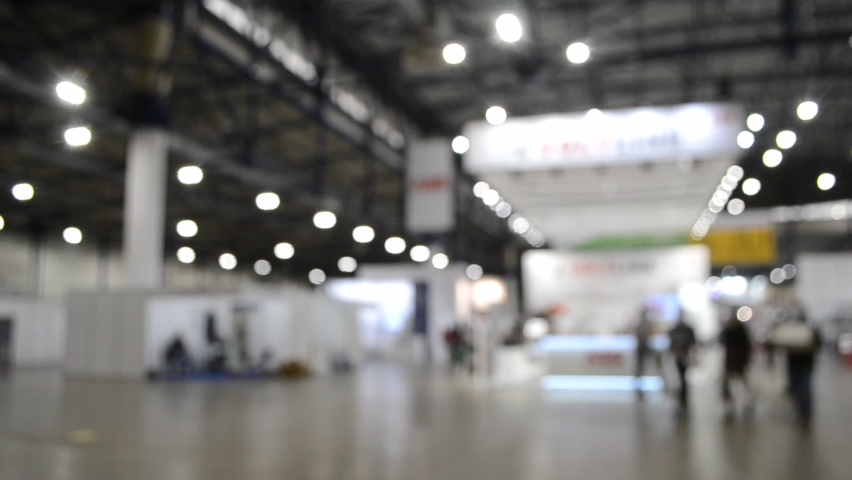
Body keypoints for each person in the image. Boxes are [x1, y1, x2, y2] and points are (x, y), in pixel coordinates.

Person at [771, 307, 821, 427]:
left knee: (804, 389)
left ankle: (805, 414)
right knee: (796, 389)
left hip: (805, 365)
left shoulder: (811, 330)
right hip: (794, 364)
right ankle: (801, 413)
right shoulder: (790, 330)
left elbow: (818, 344)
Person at [719, 311, 754, 420]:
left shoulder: (741, 331)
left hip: (739, 360)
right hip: (731, 360)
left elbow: (747, 347)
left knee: (743, 383)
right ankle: (729, 405)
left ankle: (748, 403)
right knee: (726, 384)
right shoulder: (728, 331)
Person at [668, 313, 697, 416]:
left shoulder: (680, 330)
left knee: (682, 377)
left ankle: (683, 398)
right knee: (681, 378)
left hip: (682, 355)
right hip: (680, 355)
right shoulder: (680, 330)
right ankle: (682, 398)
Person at [634, 310, 652, 398]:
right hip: (642, 348)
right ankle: (638, 384)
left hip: (642, 348)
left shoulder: (642, 323)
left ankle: (638, 383)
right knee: (640, 367)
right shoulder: (643, 324)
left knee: (641, 367)